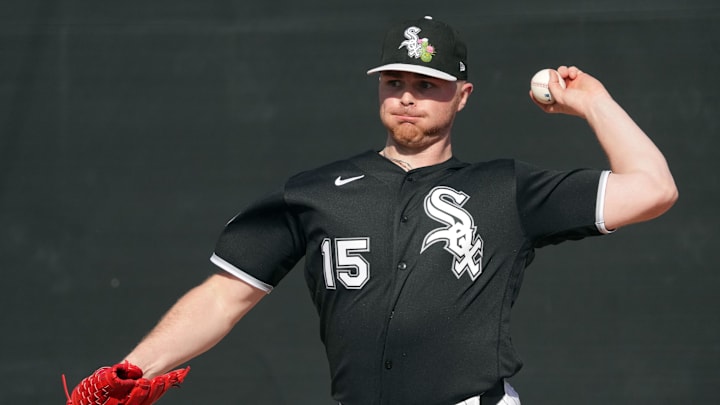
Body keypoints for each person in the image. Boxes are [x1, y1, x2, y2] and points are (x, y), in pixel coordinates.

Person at [64, 15, 678, 405]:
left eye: (428, 84)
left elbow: (653, 189)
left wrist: (594, 102)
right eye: (395, 82)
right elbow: (225, 295)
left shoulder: (505, 189)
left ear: (462, 96)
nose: (407, 97)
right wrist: (130, 368)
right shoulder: (316, 191)